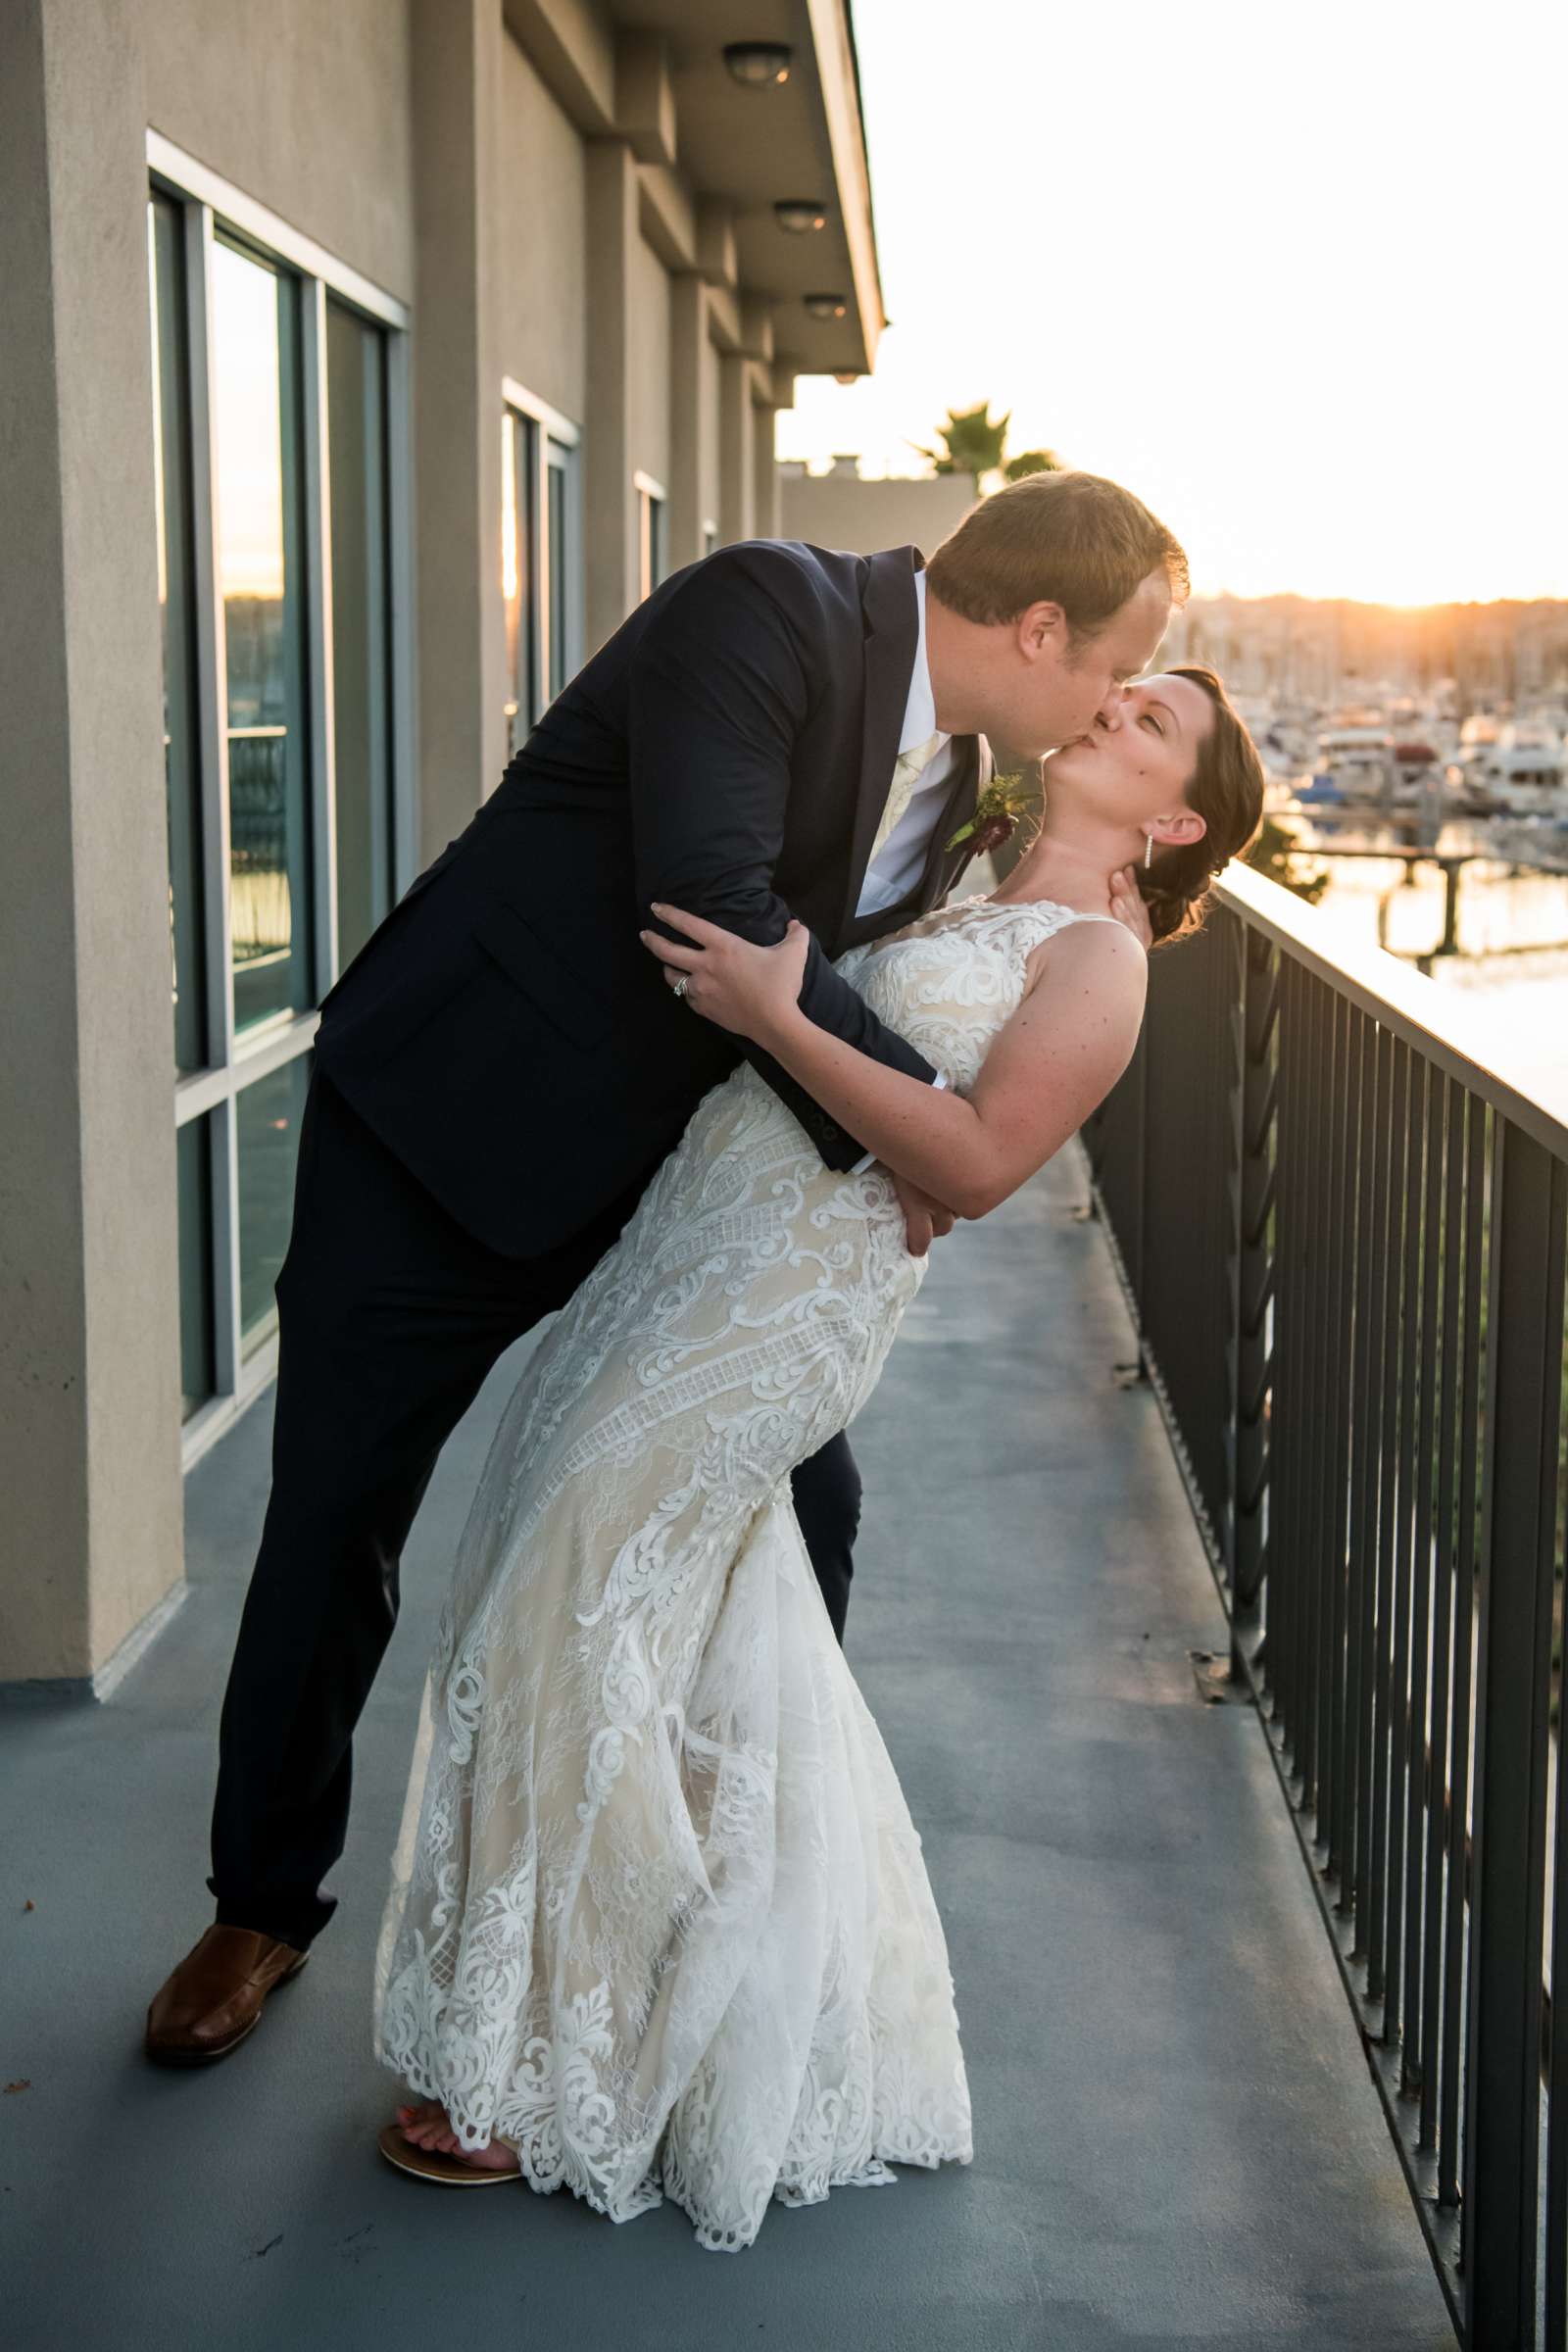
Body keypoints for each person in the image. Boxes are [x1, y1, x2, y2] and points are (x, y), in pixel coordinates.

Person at [144, 471, 1184, 2073]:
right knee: (338, 1514)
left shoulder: (975, 769)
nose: (1121, 695)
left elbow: (829, 975)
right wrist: (906, 1134)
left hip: (679, 1195)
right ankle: (261, 1904)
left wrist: (908, 1125)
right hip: (451, 1131)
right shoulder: (768, 606)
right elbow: (712, 901)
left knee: (805, 1508)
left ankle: (735, 1906)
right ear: (1040, 628)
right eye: (1122, 659)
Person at [371, 662, 1266, 2246]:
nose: (1104, 711)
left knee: (567, 1593)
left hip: (787, 1304)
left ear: (1179, 817)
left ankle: (538, 2062)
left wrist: (794, 1021)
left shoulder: (1100, 961)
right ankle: (663, 1984)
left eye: (1145, 722)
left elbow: (983, 1163)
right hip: (689, 1237)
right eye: (1115, 692)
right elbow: (905, 1096)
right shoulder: (955, 878)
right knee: (607, 1588)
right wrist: (856, 1076)